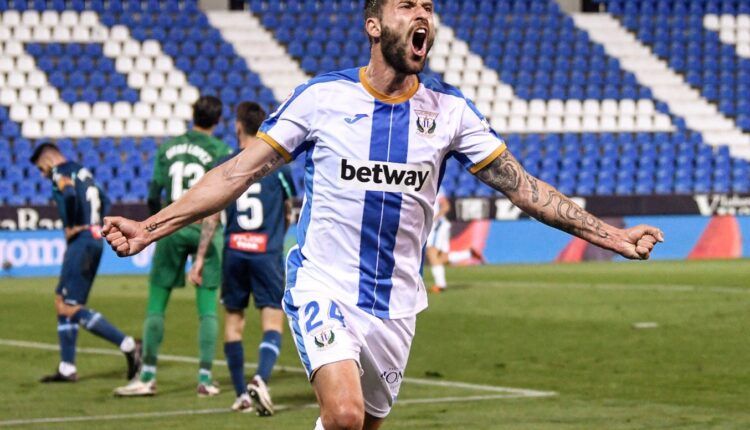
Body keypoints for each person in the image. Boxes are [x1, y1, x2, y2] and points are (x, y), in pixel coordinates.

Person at [102, 0, 664, 427]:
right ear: (374, 25)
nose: (423, 13)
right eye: (407, 5)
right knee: (344, 416)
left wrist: (612, 236)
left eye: (428, 6)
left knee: (362, 423)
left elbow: (522, 187)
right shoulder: (322, 99)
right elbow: (235, 173)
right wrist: (149, 228)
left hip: (396, 304)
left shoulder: (450, 113)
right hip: (322, 283)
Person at [113, 96, 232, 397]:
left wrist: (158, 223)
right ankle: (205, 378)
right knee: (206, 308)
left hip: (172, 225)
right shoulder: (220, 150)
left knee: (157, 302)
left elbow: (154, 193)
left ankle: (148, 375)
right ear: (217, 121)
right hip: (205, 225)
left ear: (192, 115)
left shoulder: (167, 148)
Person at [189, 101, 297, 415]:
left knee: (234, 325)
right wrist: (275, 234)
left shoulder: (226, 163)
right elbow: (289, 209)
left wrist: (198, 260)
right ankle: (261, 379)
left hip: (235, 253)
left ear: (238, 126)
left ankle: (242, 396)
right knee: (272, 322)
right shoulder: (277, 166)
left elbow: (211, 217)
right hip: (266, 254)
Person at [29, 142, 140, 383]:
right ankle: (67, 368)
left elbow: (68, 194)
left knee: (70, 307)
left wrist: (72, 226)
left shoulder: (61, 172)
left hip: (81, 240)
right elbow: (105, 200)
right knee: (62, 299)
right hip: (92, 238)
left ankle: (128, 344)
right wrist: (97, 225)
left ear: (48, 160)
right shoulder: (83, 171)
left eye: (41, 167)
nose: (42, 173)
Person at [425, 188, 484, 293]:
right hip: (438, 225)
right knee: (442, 258)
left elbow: (446, 206)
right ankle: (468, 254)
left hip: (437, 225)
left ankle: (440, 285)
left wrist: (434, 219)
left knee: (431, 252)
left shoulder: (434, 186)